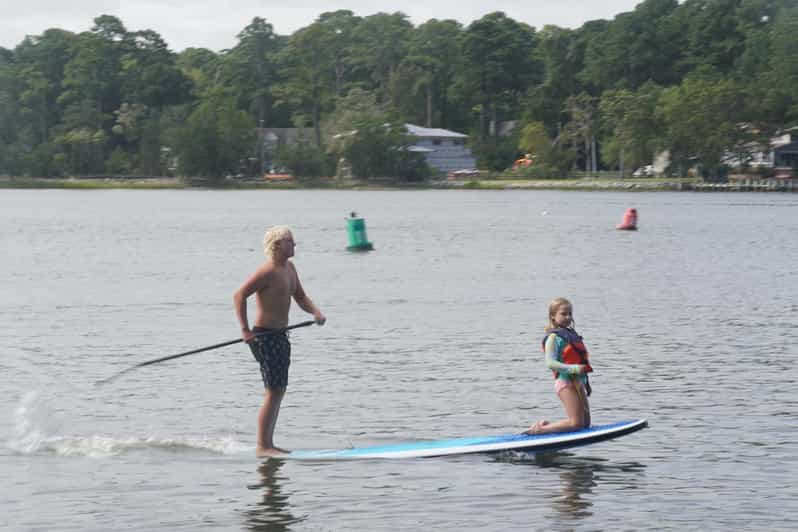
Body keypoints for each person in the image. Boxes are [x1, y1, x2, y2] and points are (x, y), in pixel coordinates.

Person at [233, 225, 326, 457]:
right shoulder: (267, 271)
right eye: (290, 241)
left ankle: (268, 444)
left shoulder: (290, 269)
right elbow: (239, 295)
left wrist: (315, 312)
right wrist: (245, 330)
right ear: (277, 245)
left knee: (279, 390)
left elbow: (301, 297)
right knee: (273, 391)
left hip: (281, 336)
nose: (294, 245)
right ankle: (263, 446)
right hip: (264, 337)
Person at [525, 298, 592, 435]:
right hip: (565, 383)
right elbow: (550, 363)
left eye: (570, 313)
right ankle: (539, 430)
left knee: (585, 424)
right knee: (576, 424)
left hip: (578, 383)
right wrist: (574, 368)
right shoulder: (553, 338)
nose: (568, 317)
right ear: (553, 316)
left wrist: (586, 384)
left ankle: (547, 426)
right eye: (563, 314)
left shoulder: (571, 336)